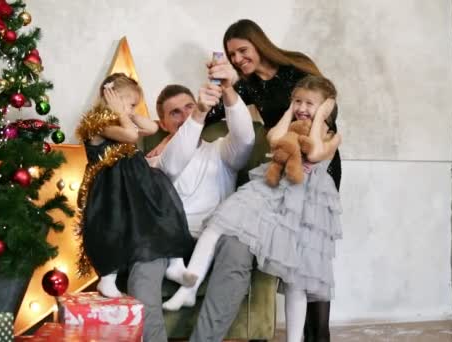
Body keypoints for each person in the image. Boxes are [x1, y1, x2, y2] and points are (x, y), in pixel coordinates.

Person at [163, 75, 342, 342]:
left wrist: (320, 118)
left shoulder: (331, 134)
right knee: (220, 222)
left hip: (306, 204)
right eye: (298, 101)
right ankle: (191, 286)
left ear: (327, 107)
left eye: (310, 103)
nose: (302, 107)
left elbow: (315, 152)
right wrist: (290, 112)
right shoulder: (290, 125)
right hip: (273, 190)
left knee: (297, 280)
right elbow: (273, 139)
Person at [207, 18, 342, 341]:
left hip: (318, 162)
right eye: (232, 55)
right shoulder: (247, 84)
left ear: (258, 43)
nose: (238, 59)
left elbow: (329, 109)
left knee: (313, 247)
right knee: (293, 247)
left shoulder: (297, 68)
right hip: (285, 168)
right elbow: (212, 110)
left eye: (242, 50)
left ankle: (319, 334)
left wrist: (320, 144)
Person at [129, 74, 255, 341]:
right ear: (162, 124)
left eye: (189, 106)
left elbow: (245, 140)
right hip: (169, 239)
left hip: (215, 236)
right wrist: (198, 112)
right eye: (175, 112)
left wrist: (228, 89)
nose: (185, 115)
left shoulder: (221, 149)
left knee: (240, 248)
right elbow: (174, 163)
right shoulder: (155, 160)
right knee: (142, 263)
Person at [75, 73, 194, 298]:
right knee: (114, 228)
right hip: (112, 186)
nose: (131, 109)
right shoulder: (98, 123)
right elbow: (130, 135)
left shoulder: (123, 116)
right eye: (130, 103)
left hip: (136, 180)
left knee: (163, 210)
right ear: (113, 98)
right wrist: (121, 113)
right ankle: (107, 278)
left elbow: (150, 128)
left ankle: (175, 263)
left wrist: (129, 111)